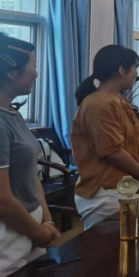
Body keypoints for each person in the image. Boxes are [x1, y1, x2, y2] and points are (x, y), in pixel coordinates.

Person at [71, 45, 139, 230]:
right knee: (108, 246)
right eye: (134, 67)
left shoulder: (119, 99)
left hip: (126, 186)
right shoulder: (98, 104)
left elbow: (133, 140)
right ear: (122, 70)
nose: (136, 73)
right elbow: (112, 151)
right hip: (105, 192)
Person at [0, 34, 60, 276]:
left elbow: (31, 174)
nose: (36, 74)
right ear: (12, 73)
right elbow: (2, 200)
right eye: (33, 66)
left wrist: (46, 220)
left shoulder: (13, 114)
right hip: (9, 232)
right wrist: (38, 232)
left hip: (30, 224)